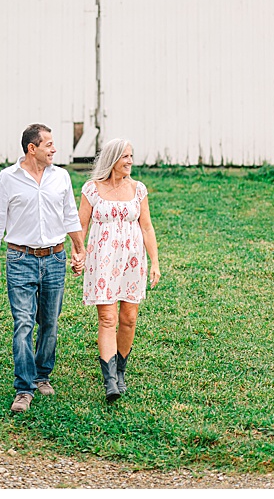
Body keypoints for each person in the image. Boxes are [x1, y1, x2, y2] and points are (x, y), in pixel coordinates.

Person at [0, 124, 85, 414]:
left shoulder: (61, 176)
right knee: (23, 324)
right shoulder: (7, 179)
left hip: (55, 258)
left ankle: (43, 375)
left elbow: (69, 216)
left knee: (50, 322)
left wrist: (80, 249)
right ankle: (23, 388)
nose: (54, 149)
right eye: (49, 145)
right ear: (32, 148)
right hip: (20, 259)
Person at [70, 138, 161, 402]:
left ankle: (120, 372)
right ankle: (109, 380)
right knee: (108, 318)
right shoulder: (92, 189)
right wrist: (78, 254)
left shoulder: (138, 189)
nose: (130, 161)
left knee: (129, 317)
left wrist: (154, 261)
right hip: (103, 261)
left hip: (132, 260)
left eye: (131, 156)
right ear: (112, 160)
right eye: (125, 157)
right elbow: (81, 226)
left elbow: (146, 227)